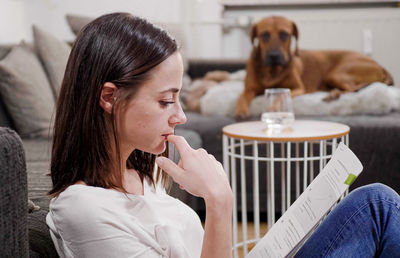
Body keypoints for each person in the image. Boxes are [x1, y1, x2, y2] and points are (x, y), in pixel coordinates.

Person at [46, 12, 400, 258]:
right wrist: (219, 202)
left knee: (376, 202)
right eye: (166, 100)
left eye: (179, 98)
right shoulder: (84, 210)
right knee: (380, 205)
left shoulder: (145, 173)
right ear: (109, 97)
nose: (181, 115)